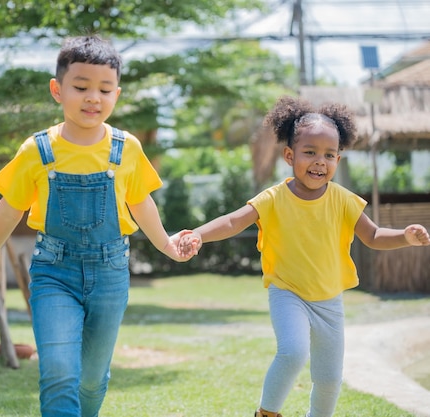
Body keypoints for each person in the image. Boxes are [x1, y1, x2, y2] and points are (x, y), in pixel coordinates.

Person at [0, 34, 194, 417]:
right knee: (59, 372)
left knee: (92, 379)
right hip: (53, 271)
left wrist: (167, 245)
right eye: (81, 87)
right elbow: (8, 211)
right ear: (57, 90)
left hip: (111, 273)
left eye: (105, 89)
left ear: (117, 95)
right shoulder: (37, 150)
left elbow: (141, 203)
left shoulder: (127, 148)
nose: (94, 97)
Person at [179, 95, 430, 417]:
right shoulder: (273, 198)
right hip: (288, 292)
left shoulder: (344, 199)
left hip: (329, 299)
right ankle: (267, 413)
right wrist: (197, 234)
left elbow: (374, 236)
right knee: (293, 352)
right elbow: (232, 221)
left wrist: (405, 237)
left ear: (338, 159)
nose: (319, 162)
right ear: (289, 155)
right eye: (309, 152)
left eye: (329, 155)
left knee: (328, 379)